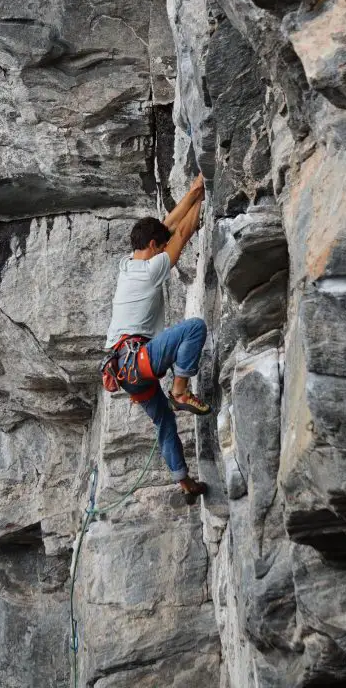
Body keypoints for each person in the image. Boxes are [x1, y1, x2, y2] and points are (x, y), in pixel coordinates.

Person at [104, 173, 211, 502]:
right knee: (194, 328)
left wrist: (195, 191)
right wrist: (202, 196)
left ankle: (184, 482)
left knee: (165, 423)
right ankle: (179, 390)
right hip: (137, 360)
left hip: (123, 371)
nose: (164, 247)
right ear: (153, 247)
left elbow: (167, 227)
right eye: (160, 245)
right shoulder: (154, 269)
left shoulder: (127, 264)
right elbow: (183, 231)